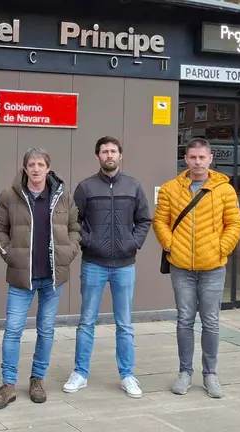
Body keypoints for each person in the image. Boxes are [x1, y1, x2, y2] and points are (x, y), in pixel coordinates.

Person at [0, 149, 81, 410]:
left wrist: (69, 252)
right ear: (25, 168)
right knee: (13, 330)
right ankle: (8, 385)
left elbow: (75, 228)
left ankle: (37, 380)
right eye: (32, 165)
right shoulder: (10, 196)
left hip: (52, 277)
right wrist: (10, 255)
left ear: (48, 168)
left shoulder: (62, 196)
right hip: (22, 277)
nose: (36, 169)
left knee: (46, 330)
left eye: (41, 164)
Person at [153, 137, 240, 399]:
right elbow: (160, 221)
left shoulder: (225, 190)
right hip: (181, 267)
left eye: (202, 157)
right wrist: (171, 245)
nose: (198, 162)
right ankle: (184, 372)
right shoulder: (170, 189)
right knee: (184, 319)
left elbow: (235, 224)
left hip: (213, 267)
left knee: (211, 321)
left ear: (210, 158)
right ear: (186, 159)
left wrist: (221, 249)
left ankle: (210, 374)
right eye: (193, 157)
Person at [63, 136, 152, 398]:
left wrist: (132, 243)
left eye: (113, 151)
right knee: (86, 321)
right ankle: (80, 373)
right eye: (104, 151)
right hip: (94, 263)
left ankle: (127, 375)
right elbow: (74, 222)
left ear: (120, 155)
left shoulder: (133, 186)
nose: (109, 155)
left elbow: (144, 220)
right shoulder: (86, 187)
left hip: (125, 265)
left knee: (124, 324)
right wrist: (89, 242)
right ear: (98, 156)